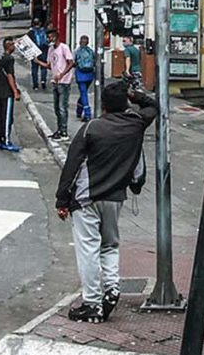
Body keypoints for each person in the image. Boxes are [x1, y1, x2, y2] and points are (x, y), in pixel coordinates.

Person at [55, 79, 157, 321]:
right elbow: (153, 106)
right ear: (126, 103)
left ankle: (91, 303)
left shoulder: (91, 128)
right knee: (109, 245)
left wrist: (62, 200)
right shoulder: (136, 123)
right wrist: (136, 96)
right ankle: (111, 288)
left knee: (88, 250)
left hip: (86, 198)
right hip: (115, 198)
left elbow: (71, 165)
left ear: (103, 105)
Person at [0, 36, 23, 152]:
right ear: (9, 46)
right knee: (7, 118)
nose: (14, 47)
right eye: (13, 45)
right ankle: (6, 141)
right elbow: (10, 75)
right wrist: (15, 91)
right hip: (7, 93)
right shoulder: (9, 59)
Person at [48, 33, 76, 133]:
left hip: (64, 82)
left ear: (56, 37)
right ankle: (59, 129)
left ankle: (64, 131)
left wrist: (62, 74)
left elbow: (71, 63)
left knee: (62, 107)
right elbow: (49, 65)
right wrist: (37, 61)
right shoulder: (50, 49)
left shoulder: (64, 47)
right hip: (55, 81)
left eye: (51, 37)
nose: (49, 39)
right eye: (48, 37)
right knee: (56, 108)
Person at [73, 35, 97, 120]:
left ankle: (87, 114)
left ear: (79, 42)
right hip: (90, 75)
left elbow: (73, 62)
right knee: (83, 93)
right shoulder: (91, 51)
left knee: (83, 94)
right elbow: (95, 62)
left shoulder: (76, 51)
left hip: (80, 75)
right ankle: (79, 110)